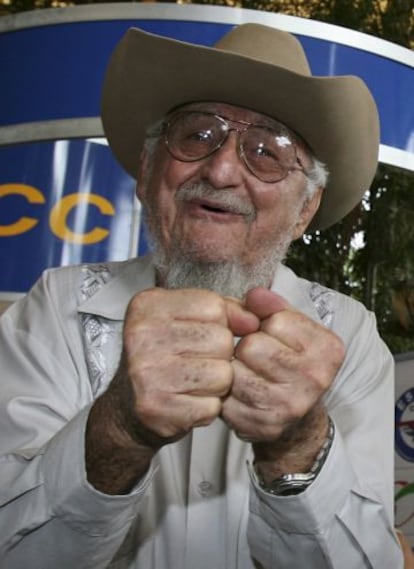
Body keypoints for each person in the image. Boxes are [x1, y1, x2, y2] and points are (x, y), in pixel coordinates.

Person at [0, 22, 404, 568]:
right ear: (148, 172)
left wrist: (298, 448)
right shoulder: (55, 306)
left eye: (267, 151)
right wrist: (117, 431)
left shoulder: (350, 337)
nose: (220, 169)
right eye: (196, 135)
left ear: (304, 208)